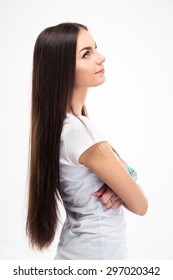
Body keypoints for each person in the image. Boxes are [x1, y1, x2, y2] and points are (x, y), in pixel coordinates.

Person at [26, 22, 148, 260]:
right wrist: (128, 178)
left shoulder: (60, 127)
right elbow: (140, 205)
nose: (100, 58)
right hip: (98, 257)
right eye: (87, 54)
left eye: (95, 49)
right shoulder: (82, 132)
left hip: (77, 252)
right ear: (61, 69)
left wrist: (123, 179)